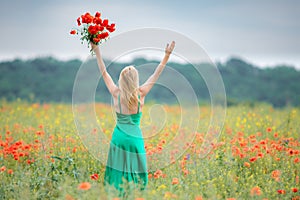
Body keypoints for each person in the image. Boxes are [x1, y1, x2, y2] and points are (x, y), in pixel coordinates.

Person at [91, 41, 175, 198]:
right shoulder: (141, 94)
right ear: (135, 80)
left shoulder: (116, 94)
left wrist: (97, 51)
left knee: (116, 171)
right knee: (138, 172)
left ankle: (115, 196)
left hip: (119, 137)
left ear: (122, 80)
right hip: (135, 138)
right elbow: (156, 74)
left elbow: (104, 72)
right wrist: (167, 55)